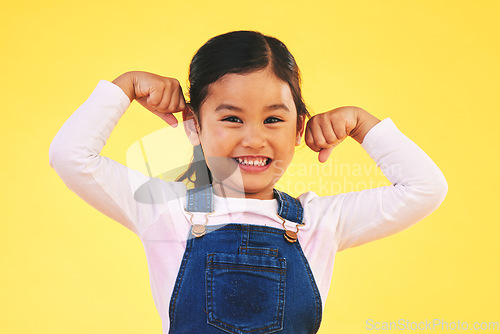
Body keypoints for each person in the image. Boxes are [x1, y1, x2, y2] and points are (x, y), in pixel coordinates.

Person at [49, 30, 448, 334]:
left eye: (273, 119)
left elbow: (425, 188)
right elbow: (71, 156)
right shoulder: (164, 210)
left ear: (299, 130)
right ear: (194, 127)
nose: (254, 138)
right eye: (232, 118)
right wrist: (125, 87)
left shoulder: (318, 222)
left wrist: (365, 126)